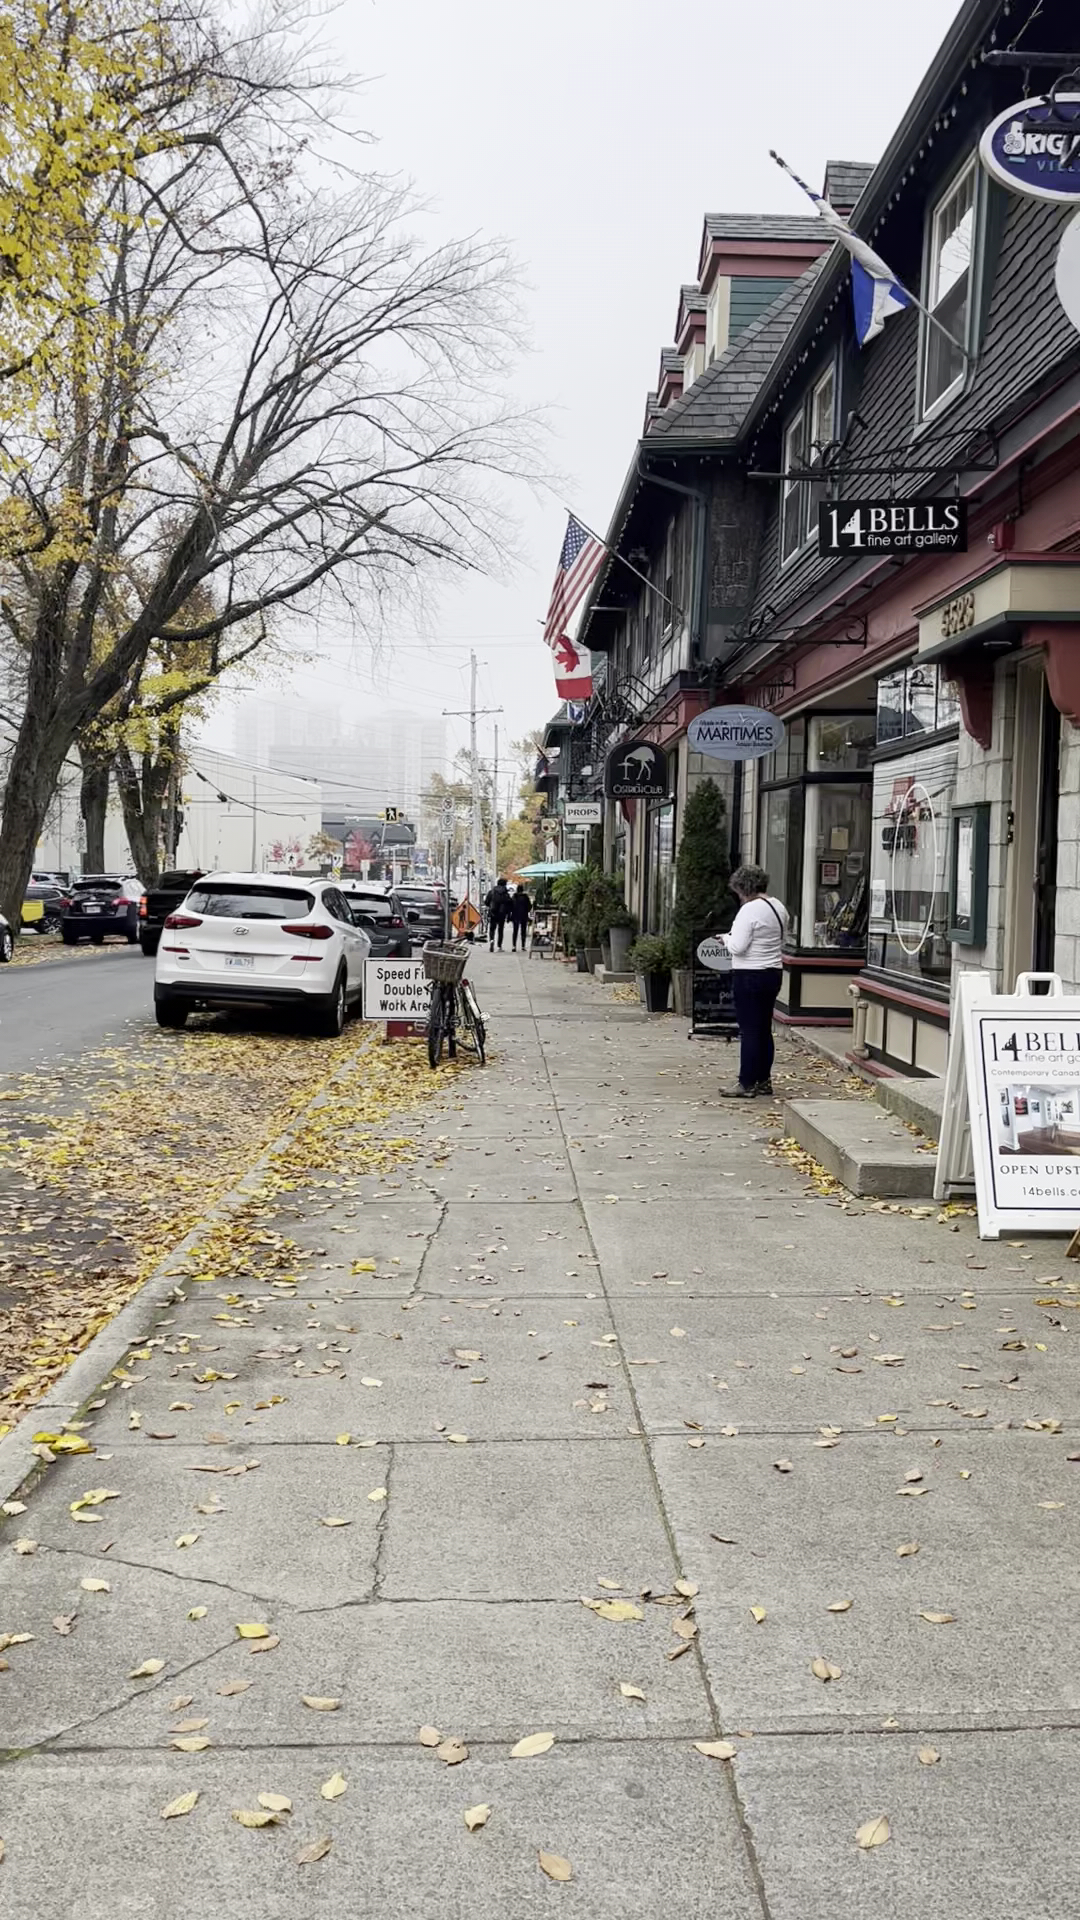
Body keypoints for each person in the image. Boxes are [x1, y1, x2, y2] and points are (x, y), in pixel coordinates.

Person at [718, 863, 788, 1098]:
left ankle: (746, 1082)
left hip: (749, 974)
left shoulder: (749, 910)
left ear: (743, 888)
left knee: (749, 1031)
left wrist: (725, 939)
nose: (738, 896)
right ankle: (764, 1080)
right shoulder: (778, 907)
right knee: (763, 1029)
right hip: (773, 972)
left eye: (738, 892)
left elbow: (738, 946)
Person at [485, 876, 511, 951]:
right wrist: (508, 915)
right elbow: (509, 904)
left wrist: (490, 906)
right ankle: (499, 946)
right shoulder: (506, 893)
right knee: (500, 930)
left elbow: (486, 902)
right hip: (502, 914)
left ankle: (492, 941)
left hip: (493, 912)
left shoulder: (492, 892)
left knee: (492, 929)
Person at [509, 883, 532, 951]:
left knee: (515, 931)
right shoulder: (525, 897)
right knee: (523, 931)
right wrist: (526, 911)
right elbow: (529, 906)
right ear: (522, 890)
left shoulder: (514, 896)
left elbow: (511, 906)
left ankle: (514, 946)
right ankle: (523, 946)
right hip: (524, 915)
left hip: (515, 915)